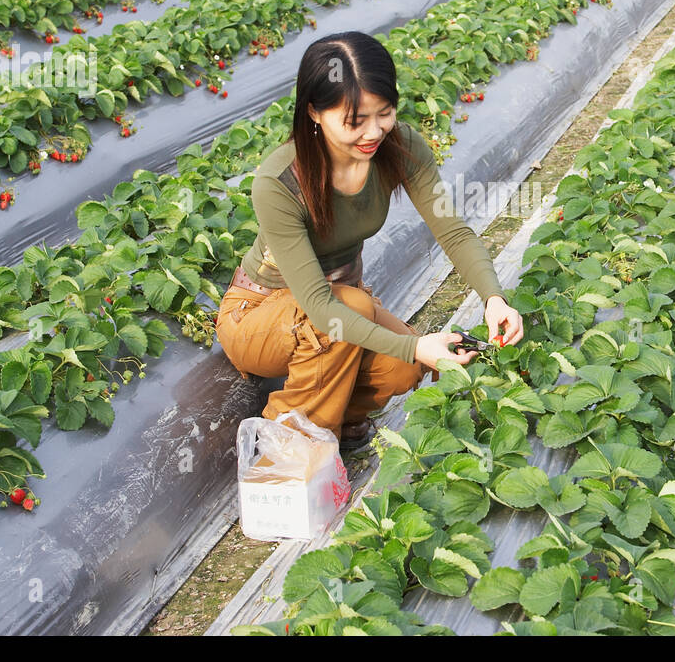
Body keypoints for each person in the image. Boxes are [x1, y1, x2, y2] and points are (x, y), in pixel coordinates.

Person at [215, 31, 524, 445]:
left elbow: (452, 231)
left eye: (385, 112)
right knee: (372, 321)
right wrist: (414, 346)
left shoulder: (401, 147)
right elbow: (324, 311)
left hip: (337, 306)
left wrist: (494, 298)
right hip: (259, 315)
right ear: (314, 113)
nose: (373, 132)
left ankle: (334, 419)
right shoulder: (279, 182)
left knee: (404, 366)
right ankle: (283, 451)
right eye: (354, 120)